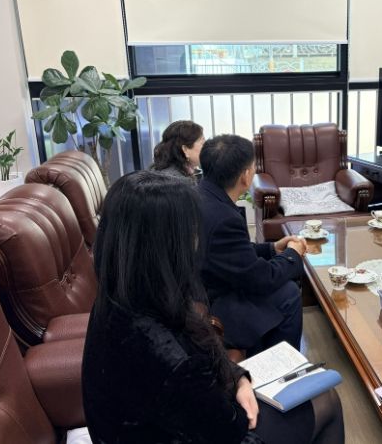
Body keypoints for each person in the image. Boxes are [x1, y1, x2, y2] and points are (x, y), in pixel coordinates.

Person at [82, 171, 344, 444]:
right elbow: (231, 432)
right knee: (326, 401)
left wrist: (238, 377)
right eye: (192, 231)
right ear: (167, 244)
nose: (197, 241)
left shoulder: (120, 298)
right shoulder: (170, 358)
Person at [197, 134, 307, 355]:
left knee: (284, 288)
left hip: (205, 285)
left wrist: (272, 249)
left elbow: (231, 254)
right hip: (211, 303)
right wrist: (292, 254)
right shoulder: (223, 218)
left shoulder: (201, 195)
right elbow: (261, 280)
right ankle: (280, 368)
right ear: (246, 176)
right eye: (254, 167)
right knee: (288, 293)